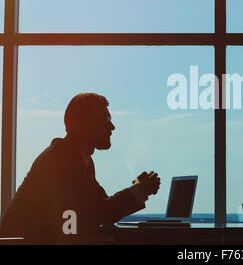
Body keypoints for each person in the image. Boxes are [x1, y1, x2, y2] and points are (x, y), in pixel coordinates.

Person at [0, 93, 160, 243]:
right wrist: (138, 191)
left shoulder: (79, 159)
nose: (112, 127)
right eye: (105, 120)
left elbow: (101, 208)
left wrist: (137, 190)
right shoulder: (64, 156)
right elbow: (94, 214)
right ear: (83, 123)